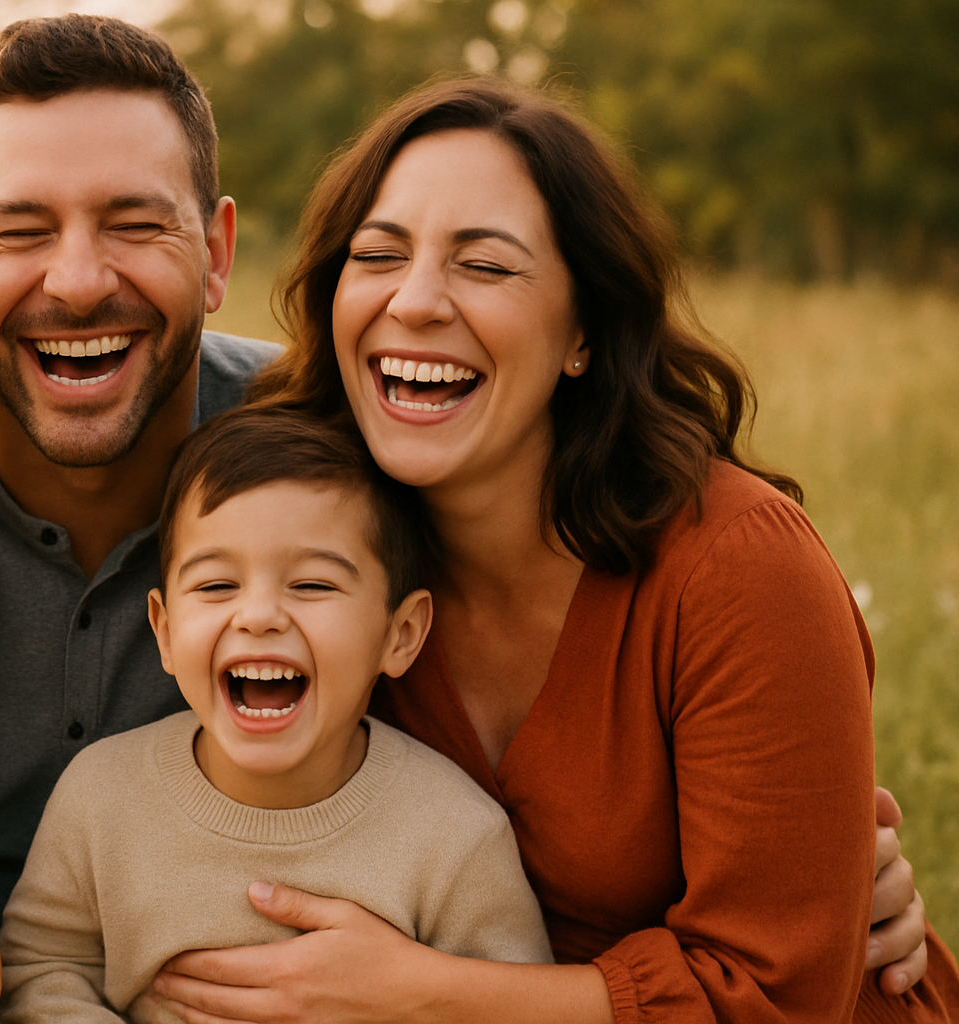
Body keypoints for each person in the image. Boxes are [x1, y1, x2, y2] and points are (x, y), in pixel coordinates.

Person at [0, 16, 934, 1022]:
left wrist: (813, 851)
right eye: (24, 228)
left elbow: (718, 704)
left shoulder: (329, 472)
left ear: (218, 250)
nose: (78, 279)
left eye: (136, 222)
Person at [150, 78, 959, 1023]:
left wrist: (419, 993)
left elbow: (777, 994)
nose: (415, 302)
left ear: (582, 329)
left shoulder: (739, 567)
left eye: (485, 267)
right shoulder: (310, 548)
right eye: (378, 255)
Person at [0, 408, 551, 1022]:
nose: (259, 615)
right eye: (215, 586)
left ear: (401, 634)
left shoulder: (456, 838)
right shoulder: (99, 796)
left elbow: (508, 1003)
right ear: (165, 632)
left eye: (313, 585)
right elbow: (41, 966)